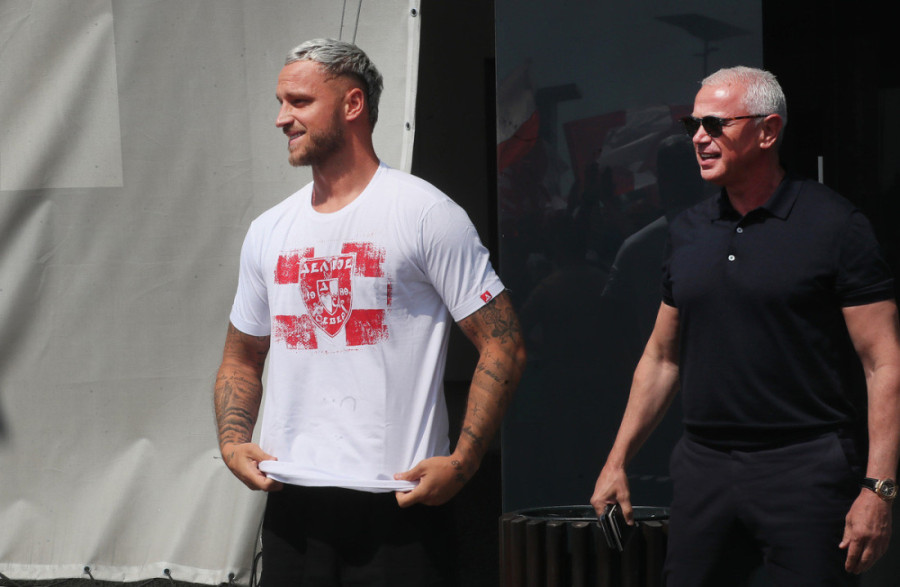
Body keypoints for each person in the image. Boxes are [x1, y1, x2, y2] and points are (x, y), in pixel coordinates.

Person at [214, 38, 526, 586]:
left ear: (352, 104)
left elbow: (504, 342)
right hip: (292, 503)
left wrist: (464, 462)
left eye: (299, 102)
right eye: (281, 102)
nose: (281, 118)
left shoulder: (425, 213)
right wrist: (231, 443)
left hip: (398, 506)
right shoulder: (268, 230)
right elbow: (242, 356)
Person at [590, 66, 900, 585]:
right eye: (692, 124)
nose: (698, 137)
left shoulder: (835, 226)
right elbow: (662, 358)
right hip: (703, 469)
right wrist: (616, 459)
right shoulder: (688, 231)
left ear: (768, 131)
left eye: (715, 124)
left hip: (807, 469)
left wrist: (879, 488)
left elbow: (883, 363)